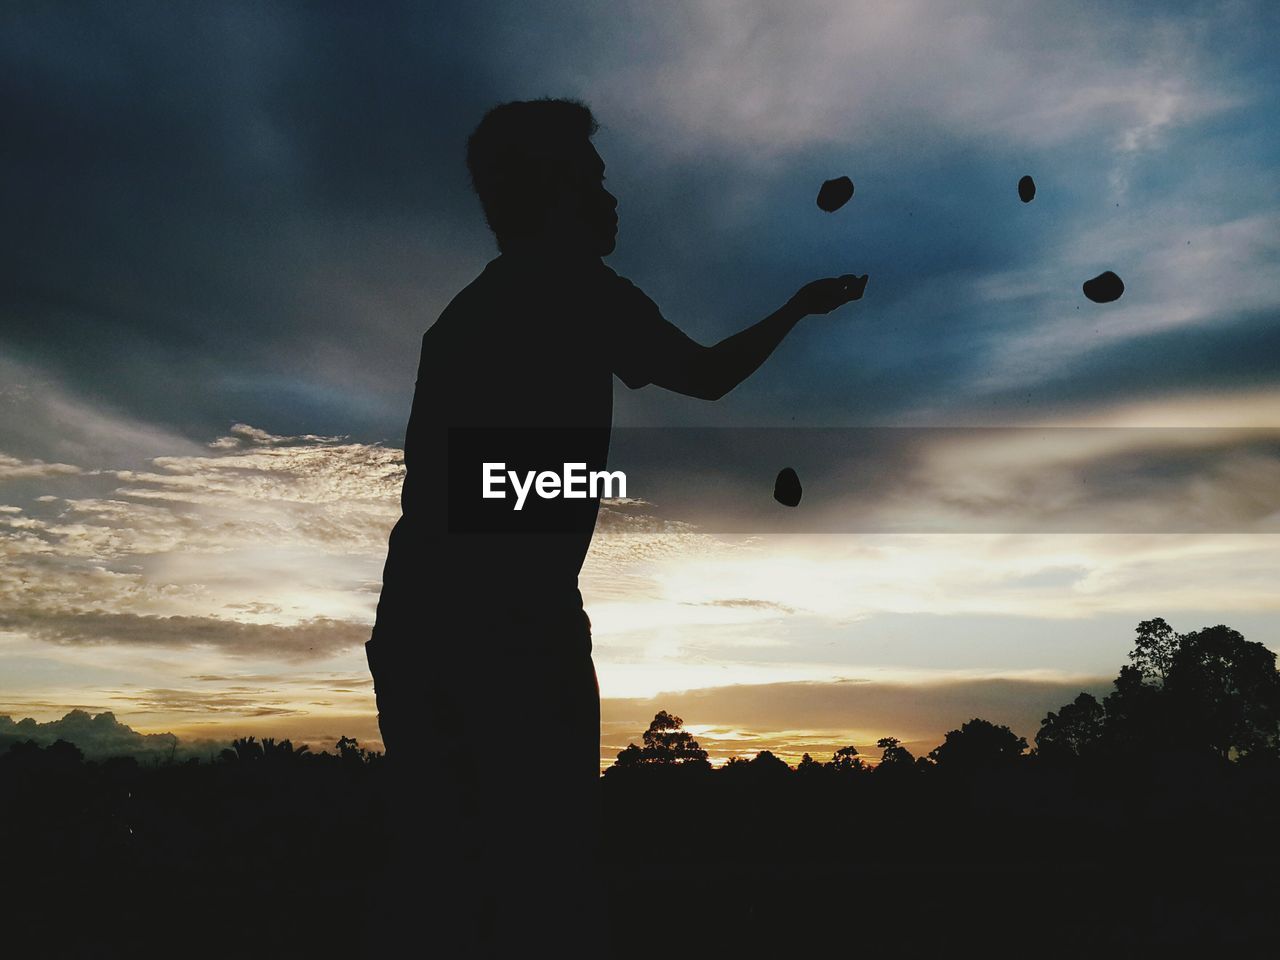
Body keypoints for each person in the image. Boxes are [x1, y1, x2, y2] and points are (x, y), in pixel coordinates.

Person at [363, 97, 867, 958]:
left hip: (417, 627)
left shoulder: (459, 321)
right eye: (596, 177)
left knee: (457, 893)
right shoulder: (577, 287)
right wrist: (797, 308)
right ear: (555, 189)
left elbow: (440, 490)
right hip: (512, 628)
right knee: (545, 892)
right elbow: (706, 377)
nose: (611, 195)